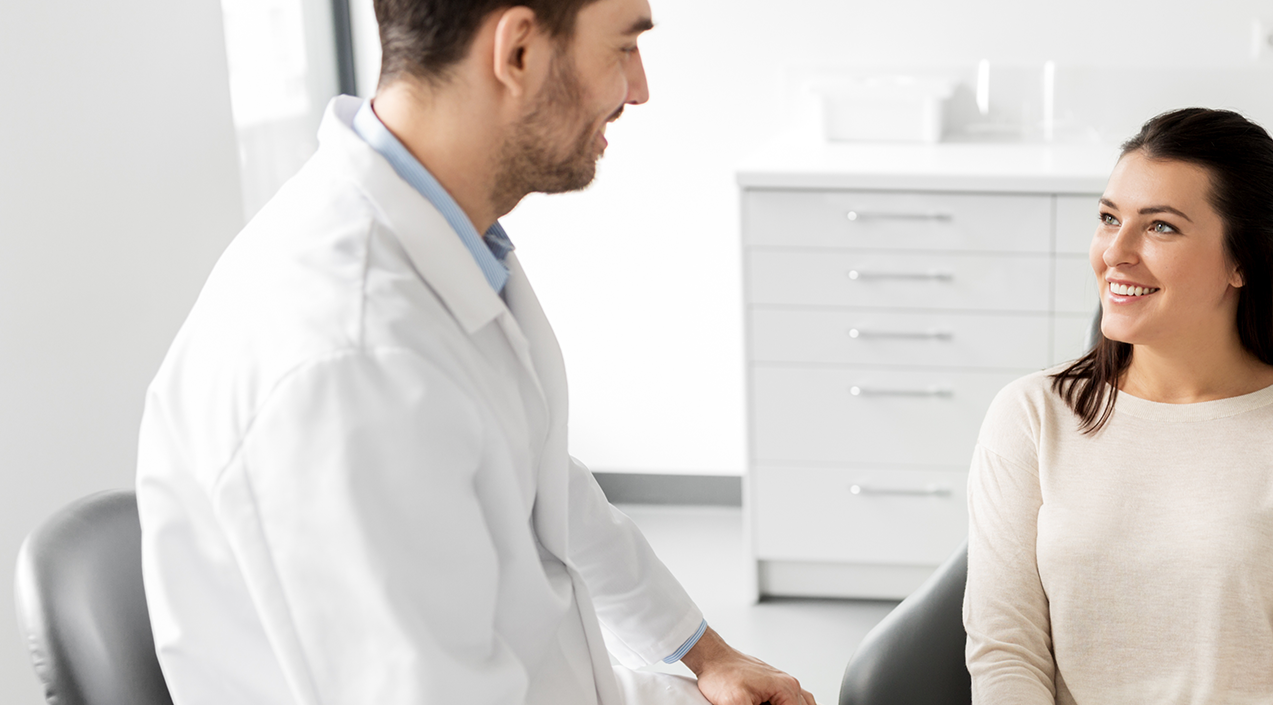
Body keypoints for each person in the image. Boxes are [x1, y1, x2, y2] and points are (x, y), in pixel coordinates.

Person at [134, 1, 814, 703]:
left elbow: (548, 485)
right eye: (622, 49)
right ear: (518, 51)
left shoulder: (445, 240)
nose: (637, 89)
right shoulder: (350, 358)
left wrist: (709, 654)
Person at [962, 108, 1273, 705]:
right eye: (1108, 218)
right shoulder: (1032, 415)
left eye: (1160, 227)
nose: (1115, 252)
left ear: (1242, 260)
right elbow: (1005, 652)